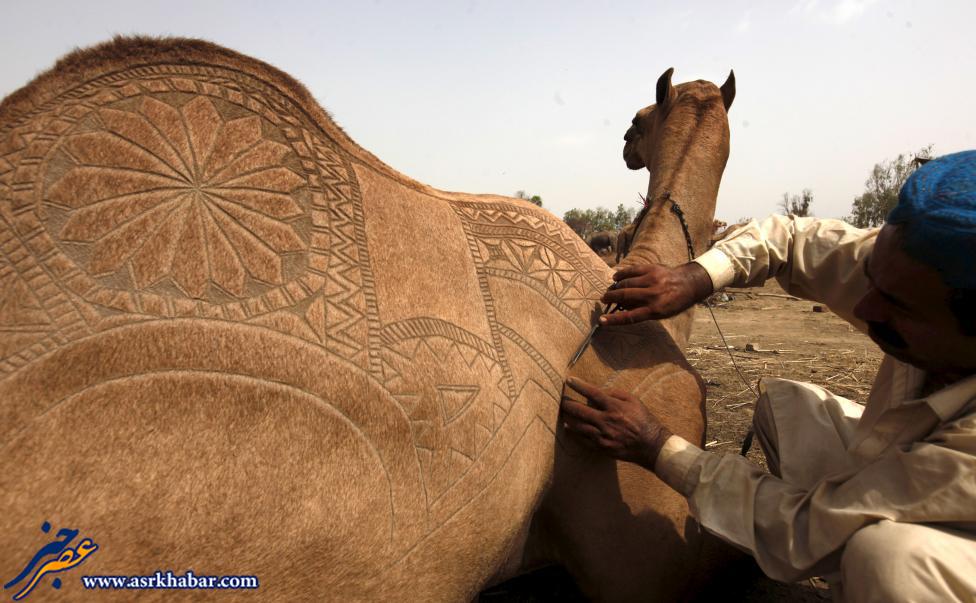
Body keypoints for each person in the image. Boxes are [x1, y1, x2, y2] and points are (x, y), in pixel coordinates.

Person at [560, 150, 976, 602]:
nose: (863, 308)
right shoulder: (916, 264)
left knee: (888, 559)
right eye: (871, 277)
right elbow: (793, 238)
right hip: (909, 471)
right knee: (786, 407)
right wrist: (698, 276)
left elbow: (808, 527)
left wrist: (656, 445)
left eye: (899, 307)